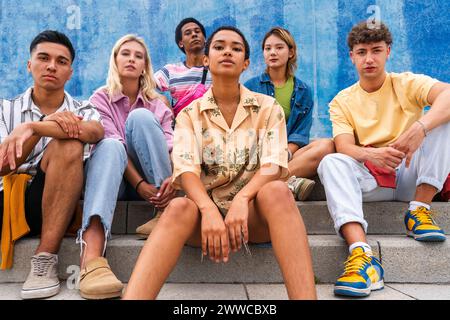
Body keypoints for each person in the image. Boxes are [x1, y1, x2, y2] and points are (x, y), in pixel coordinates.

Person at [123, 26, 317, 300]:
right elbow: (186, 170)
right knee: (178, 206)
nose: (227, 51)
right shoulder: (190, 114)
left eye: (236, 48)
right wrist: (208, 209)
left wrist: (243, 199)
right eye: (219, 47)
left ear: (246, 63)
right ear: (206, 59)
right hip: (204, 221)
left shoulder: (267, 107)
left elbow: (273, 165)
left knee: (277, 191)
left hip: (252, 218)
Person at [317, 21, 450, 297]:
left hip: (411, 173)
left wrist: (419, 128)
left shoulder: (407, 83)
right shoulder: (342, 100)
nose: (369, 59)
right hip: (372, 179)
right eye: (362, 52)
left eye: (376, 50)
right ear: (351, 56)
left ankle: (419, 211)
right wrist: (371, 154)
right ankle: (362, 256)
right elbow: (343, 146)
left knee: (444, 120)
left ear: (388, 51)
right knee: (330, 161)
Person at [0, 30, 103, 299]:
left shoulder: (83, 109)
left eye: (61, 61)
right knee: (68, 135)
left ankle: (44, 259)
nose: (51, 66)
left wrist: (36, 126)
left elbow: (95, 132)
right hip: (6, 201)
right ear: (29, 64)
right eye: (43, 58)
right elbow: (2, 166)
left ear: (70, 72)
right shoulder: (3, 109)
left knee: (69, 143)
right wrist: (43, 129)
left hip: (56, 207)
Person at [80, 34, 175, 299]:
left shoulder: (157, 103)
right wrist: (139, 184)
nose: (132, 59)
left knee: (142, 117)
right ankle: (91, 258)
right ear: (115, 59)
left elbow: (170, 147)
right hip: (116, 181)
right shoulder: (100, 98)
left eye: (138, 55)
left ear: (145, 65)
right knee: (110, 146)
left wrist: (166, 182)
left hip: (153, 181)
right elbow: (114, 144)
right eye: (125, 53)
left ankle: (166, 209)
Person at [245, 27, 334, 201]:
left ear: (291, 52)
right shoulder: (250, 87)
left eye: (279, 47)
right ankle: (287, 181)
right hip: (257, 155)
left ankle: (268, 182)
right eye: (268, 48)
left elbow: (300, 134)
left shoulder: (303, 90)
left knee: (327, 146)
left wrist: (283, 154)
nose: (273, 52)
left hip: (287, 154)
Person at [154, 17, 212, 116]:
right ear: (181, 43)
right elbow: (144, 85)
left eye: (197, 31)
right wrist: (161, 99)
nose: (194, 34)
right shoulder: (171, 71)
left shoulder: (217, 68)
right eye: (188, 33)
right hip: (183, 127)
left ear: (205, 39)